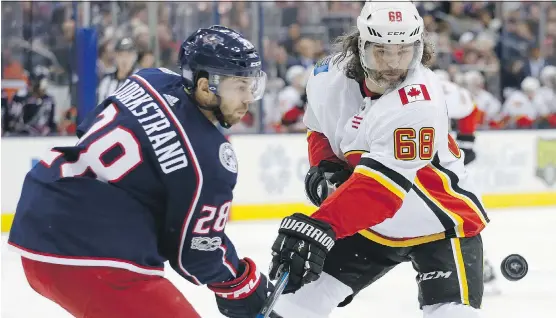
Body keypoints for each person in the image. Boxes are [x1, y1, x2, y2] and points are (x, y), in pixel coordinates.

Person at [8, 25, 275, 318]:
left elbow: (88, 127)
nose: (249, 99)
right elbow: (195, 254)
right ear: (204, 86)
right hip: (93, 256)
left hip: (40, 220)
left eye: (252, 87)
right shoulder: (211, 159)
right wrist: (240, 282)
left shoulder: (148, 79)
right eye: (239, 87)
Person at [268, 2, 489, 318]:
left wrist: (322, 225)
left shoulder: (419, 102)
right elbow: (319, 126)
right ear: (360, 45)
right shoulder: (326, 77)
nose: (393, 64)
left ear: (419, 48)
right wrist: (325, 165)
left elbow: (380, 192)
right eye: (381, 51)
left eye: (404, 51)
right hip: (369, 225)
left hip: (441, 223)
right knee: (289, 307)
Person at [3, 68, 57, 136]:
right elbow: (11, 123)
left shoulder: (49, 100)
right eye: (43, 82)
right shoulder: (20, 98)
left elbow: (51, 123)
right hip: (20, 137)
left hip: (43, 138)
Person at [96, 37, 139, 103]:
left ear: (134, 56)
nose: (124, 60)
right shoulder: (106, 80)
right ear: (115, 56)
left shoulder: (140, 80)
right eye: (121, 55)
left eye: (128, 55)